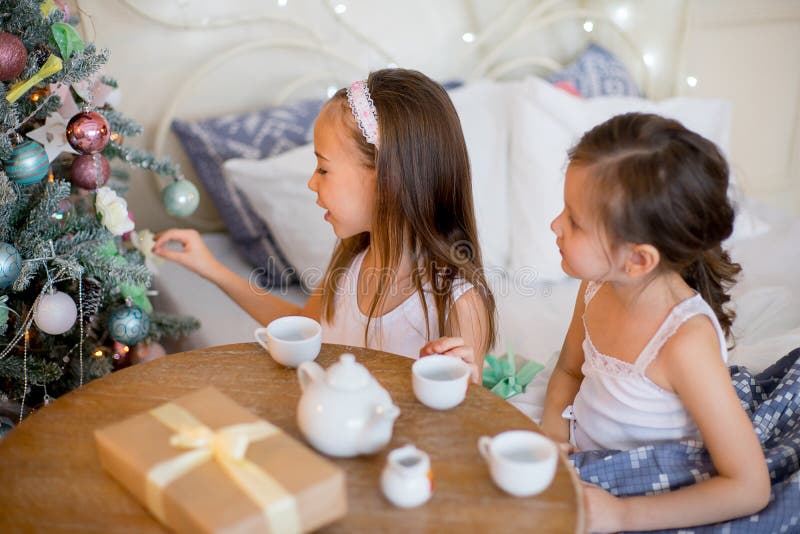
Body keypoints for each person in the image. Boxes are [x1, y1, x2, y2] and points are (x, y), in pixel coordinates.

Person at [153, 68, 496, 380]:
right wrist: (211, 268)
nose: (312, 183)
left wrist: (463, 385)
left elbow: (463, 424)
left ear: (388, 179)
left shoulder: (457, 303)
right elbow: (303, 328)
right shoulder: (351, 260)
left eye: (323, 169)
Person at [539, 113, 770, 532]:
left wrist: (622, 514)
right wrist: (552, 435)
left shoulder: (684, 342)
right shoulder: (595, 287)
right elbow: (569, 370)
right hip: (583, 456)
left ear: (639, 259)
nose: (555, 225)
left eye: (573, 220)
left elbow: (750, 487)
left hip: (643, 488)